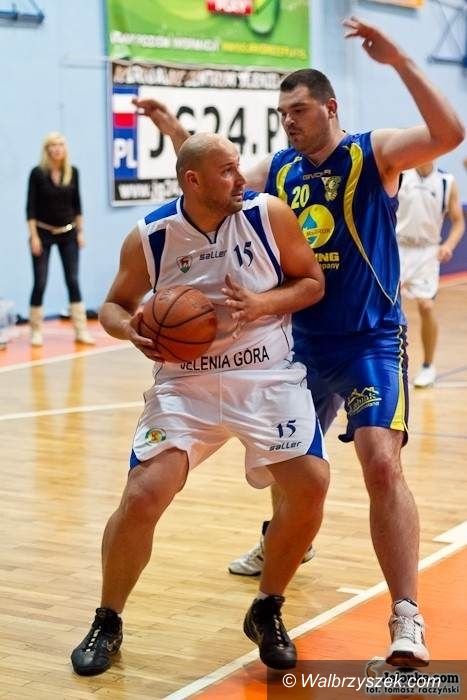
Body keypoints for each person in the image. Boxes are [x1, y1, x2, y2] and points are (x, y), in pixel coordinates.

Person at [134, 16, 464, 667]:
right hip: (295, 348)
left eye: (299, 110)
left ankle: (406, 617)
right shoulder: (278, 169)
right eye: (282, 113)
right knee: (288, 467)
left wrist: (399, 59)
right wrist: (173, 130)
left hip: (368, 341)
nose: (288, 121)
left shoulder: (373, 153)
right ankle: (284, 537)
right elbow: (213, 178)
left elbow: (449, 134)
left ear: (329, 108)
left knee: (380, 462)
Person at [70, 132, 329, 676]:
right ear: (193, 180)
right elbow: (113, 305)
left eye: (239, 167)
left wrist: (262, 303)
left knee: (310, 484)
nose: (241, 179)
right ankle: (107, 619)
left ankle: (267, 608)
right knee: (142, 496)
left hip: (264, 375)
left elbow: (311, 283)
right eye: (227, 171)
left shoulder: (268, 216)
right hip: (185, 384)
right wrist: (130, 329)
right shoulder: (152, 236)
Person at [396, 162, 465, 387]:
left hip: (427, 251)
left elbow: (458, 222)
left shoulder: (446, 182)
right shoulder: (401, 175)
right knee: (387, 307)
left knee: (426, 306)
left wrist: (449, 245)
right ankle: (388, 364)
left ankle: (428, 366)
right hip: (397, 246)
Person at [26, 132, 94, 346]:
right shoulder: (37, 173)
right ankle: (36, 331)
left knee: (72, 280)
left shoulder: (73, 172)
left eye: (60, 145)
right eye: (53, 145)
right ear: (47, 150)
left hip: (69, 233)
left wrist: (80, 232)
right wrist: (34, 237)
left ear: (65, 149)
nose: (57, 149)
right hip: (43, 233)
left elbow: (78, 205)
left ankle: (81, 330)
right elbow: (30, 208)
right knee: (40, 282)